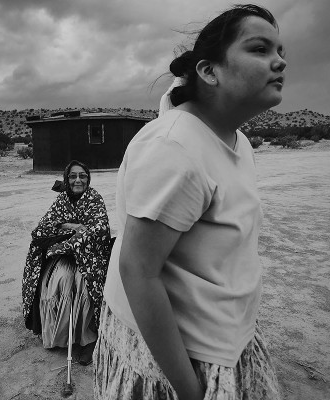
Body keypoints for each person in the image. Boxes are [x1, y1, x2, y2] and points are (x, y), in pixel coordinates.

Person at [94, 4, 286, 399]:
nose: (279, 62)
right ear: (209, 70)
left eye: (281, 52)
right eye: (260, 49)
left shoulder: (236, 140)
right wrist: (189, 391)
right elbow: (138, 271)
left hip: (223, 335)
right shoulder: (175, 147)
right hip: (183, 357)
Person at [22, 160, 111, 366]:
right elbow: (42, 230)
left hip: (90, 255)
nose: (77, 180)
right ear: (66, 179)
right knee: (60, 280)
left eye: (82, 176)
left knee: (84, 284)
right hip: (65, 256)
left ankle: (89, 339)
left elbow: (99, 229)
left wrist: (66, 241)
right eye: (73, 176)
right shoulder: (61, 200)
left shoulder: (94, 198)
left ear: (88, 179)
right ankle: (62, 335)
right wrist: (72, 226)